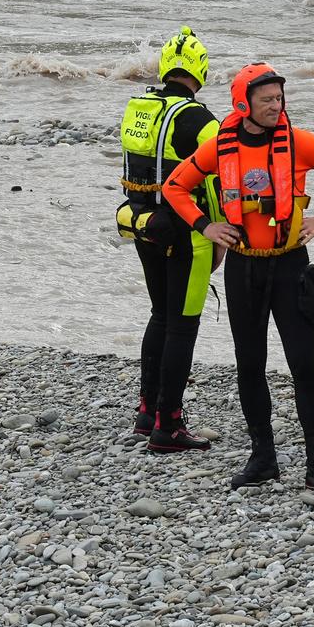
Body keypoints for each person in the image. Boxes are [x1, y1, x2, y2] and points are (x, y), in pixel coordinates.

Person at [163, 64, 314, 499]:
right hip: (243, 268)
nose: (277, 106)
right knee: (249, 365)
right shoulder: (221, 146)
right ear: (244, 104)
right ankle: (263, 458)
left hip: (291, 265)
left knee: (304, 367)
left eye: (280, 98)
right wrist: (205, 226)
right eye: (267, 100)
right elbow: (175, 187)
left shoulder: (299, 142)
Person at [117, 26, 219, 454]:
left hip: (141, 222)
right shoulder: (198, 118)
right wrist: (221, 237)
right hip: (187, 231)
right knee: (183, 324)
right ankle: (170, 425)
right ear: (200, 70)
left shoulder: (138, 105)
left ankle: (147, 411)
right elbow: (217, 181)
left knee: (160, 315)